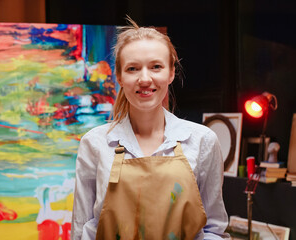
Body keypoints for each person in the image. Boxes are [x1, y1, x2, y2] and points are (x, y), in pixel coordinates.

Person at [71, 18, 229, 240]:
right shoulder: (95, 143)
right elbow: (81, 229)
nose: (145, 79)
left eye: (156, 66)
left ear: (171, 73)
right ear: (119, 77)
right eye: (133, 68)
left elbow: (214, 229)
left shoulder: (202, 141)